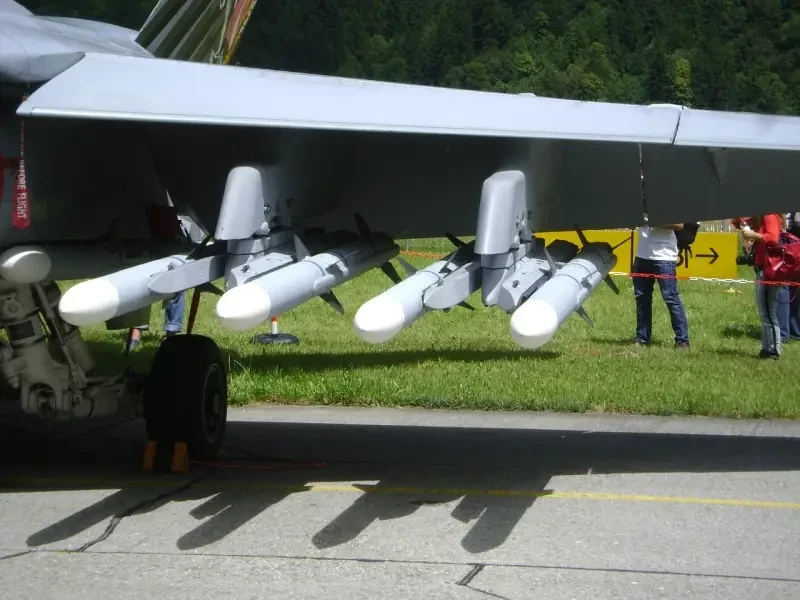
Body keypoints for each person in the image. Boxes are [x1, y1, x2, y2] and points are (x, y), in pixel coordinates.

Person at [632, 222, 690, 348]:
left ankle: (682, 341)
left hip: (664, 257)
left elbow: (679, 225)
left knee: (671, 298)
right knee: (642, 299)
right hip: (642, 256)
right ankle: (642, 338)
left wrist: (653, 222)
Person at [737, 214, 783, 359]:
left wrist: (753, 235)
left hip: (769, 270)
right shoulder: (760, 217)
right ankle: (766, 348)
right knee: (764, 313)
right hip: (761, 269)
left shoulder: (769, 215)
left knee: (769, 313)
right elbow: (738, 222)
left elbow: (773, 238)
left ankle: (774, 351)